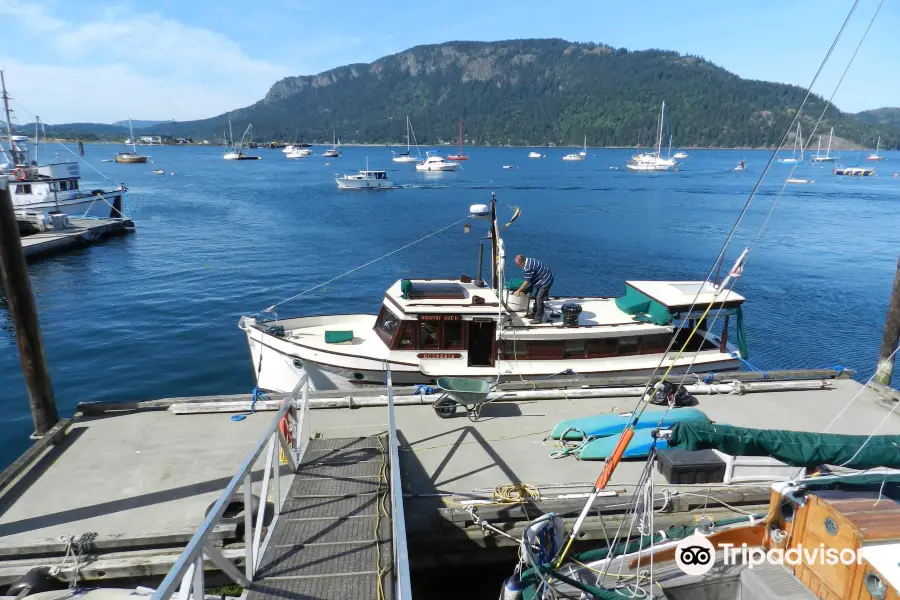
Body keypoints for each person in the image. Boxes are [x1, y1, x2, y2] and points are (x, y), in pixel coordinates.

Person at [514, 254, 554, 324]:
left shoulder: (528, 266)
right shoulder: (529, 260)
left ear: (522, 262)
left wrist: (519, 290)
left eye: (519, 264)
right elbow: (531, 278)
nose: (519, 266)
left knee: (539, 298)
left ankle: (538, 319)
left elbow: (527, 281)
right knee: (536, 296)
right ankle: (535, 313)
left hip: (545, 281)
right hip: (543, 278)